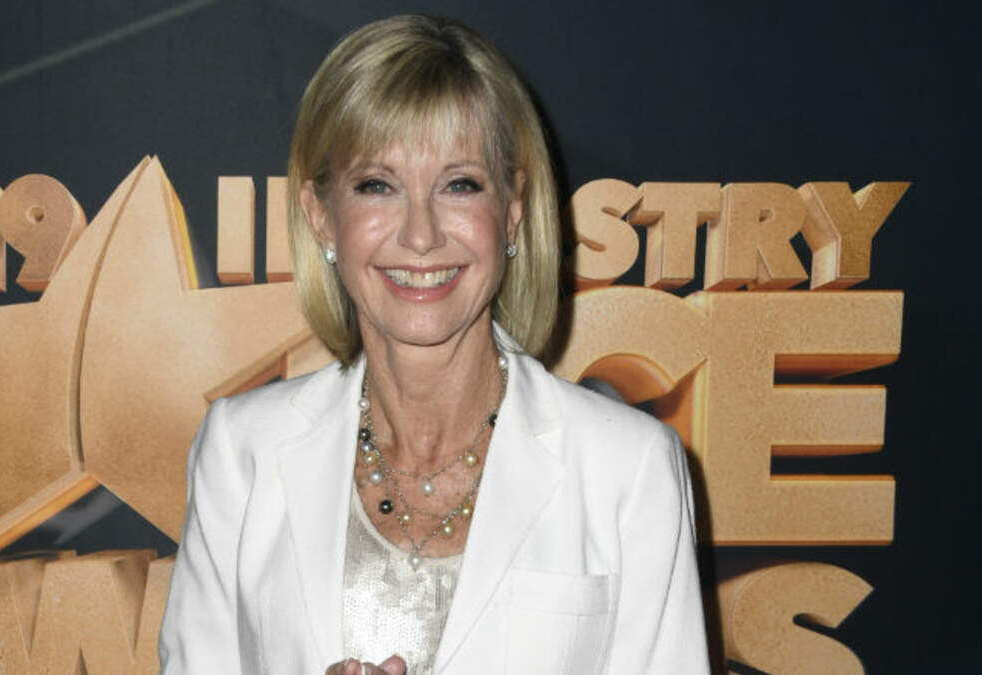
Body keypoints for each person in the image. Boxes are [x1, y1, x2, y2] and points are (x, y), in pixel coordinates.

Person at [159, 14, 708, 674]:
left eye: (459, 184)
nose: (421, 235)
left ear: (512, 211)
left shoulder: (629, 468)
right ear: (321, 215)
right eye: (378, 185)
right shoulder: (239, 452)